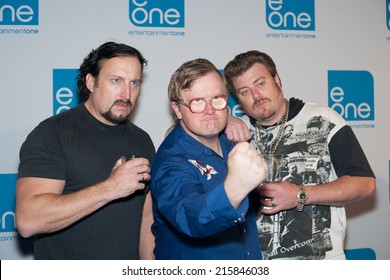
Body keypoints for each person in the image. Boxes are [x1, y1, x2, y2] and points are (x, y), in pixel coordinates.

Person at [223, 50, 376, 260]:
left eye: (260, 83)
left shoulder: (323, 119)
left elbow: (365, 184)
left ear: (277, 80)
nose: (256, 96)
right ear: (237, 99)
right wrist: (221, 120)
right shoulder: (234, 135)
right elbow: (178, 138)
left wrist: (299, 195)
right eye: (245, 91)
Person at [15, 42, 156, 260]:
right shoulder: (53, 133)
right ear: (91, 82)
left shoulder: (142, 139)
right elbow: (28, 220)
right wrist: (111, 188)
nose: (127, 93)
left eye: (134, 83)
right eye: (116, 80)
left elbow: (146, 218)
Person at [150, 58, 268, 259]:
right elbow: (191, 217)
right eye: (197, 101)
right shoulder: (170, 159)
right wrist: (234, 188)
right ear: (178, 109)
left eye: (217, 99)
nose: (210, 109)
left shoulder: (232, 144)